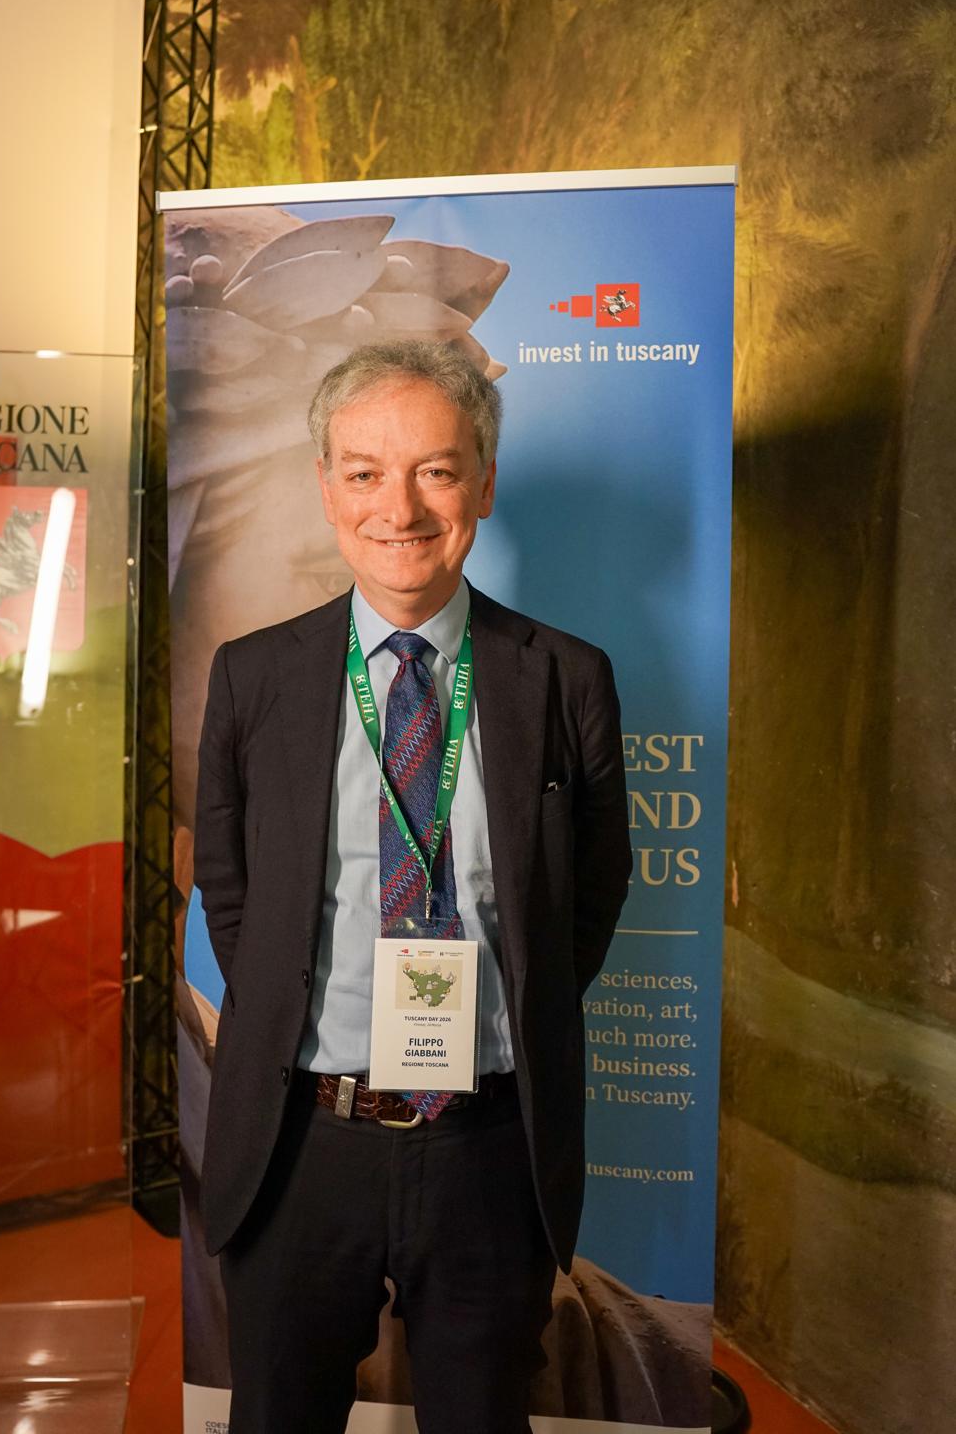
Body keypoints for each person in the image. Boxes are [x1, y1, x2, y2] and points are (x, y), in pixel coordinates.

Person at [194, 339, 633, 1434]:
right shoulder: (253, 676)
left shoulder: (567, 677)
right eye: (364, 472)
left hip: (488, 1149)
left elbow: (588, 895)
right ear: (326, 486)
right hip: (301, 1144)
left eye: (436, 470)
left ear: (483, 483)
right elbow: (232, 893)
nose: (399, 508)